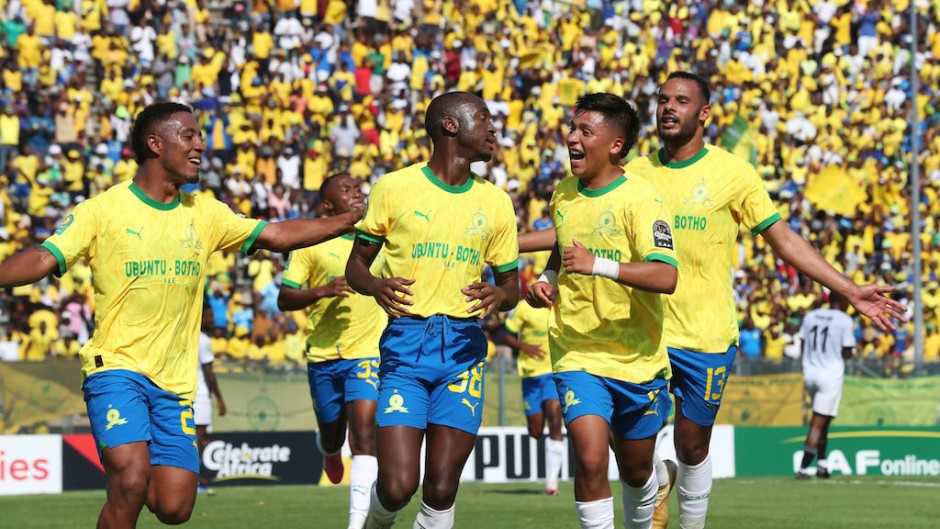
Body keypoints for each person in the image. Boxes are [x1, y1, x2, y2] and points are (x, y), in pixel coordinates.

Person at [519, 72, 907, 529]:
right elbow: (574, 227)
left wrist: (848, 289)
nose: (668, 108)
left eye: (681, 101)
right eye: (663, 99)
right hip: (641, 335)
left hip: (703, 333)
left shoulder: (733, 174)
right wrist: (508, 244)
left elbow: (783, 240)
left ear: (703, 113)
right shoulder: (633, 171)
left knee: (691, 446)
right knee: (631, 462)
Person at [0, 102, 363, 529]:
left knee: (175, 507)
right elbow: (45, 256)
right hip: (116, 367)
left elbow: (277, 235)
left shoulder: (206, 214)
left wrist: (348, 220)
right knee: (131, 481)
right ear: (155, 144)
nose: (201, 145)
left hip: (175, 384)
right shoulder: (103, 210)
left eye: (199, 136)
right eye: (188, 135)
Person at [346, 91, 519, 529]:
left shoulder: (496, 202)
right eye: (483, 117)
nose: (494, 128)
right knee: (399, 485)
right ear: (450, 126)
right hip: (406, 348)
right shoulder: (394, 188)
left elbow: (511, 286)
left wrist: (501, 296)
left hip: (463, 350)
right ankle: (376, 522)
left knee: (441, 490)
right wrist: (374, 285)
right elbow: (356, 267)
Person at [526, 93, 678, 529]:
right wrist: (549, 281)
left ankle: (654, 489)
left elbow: (665, 276)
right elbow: (562, 248)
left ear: (615, 145)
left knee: (635, 472)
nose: (572, 138)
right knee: (591, 460)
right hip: (578, 352)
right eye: (572, 129)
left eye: (584, 131)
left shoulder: (642, 200)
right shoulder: (562, 195)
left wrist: (601, 266)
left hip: (638, 358)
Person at [277, 173, 384, 529]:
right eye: (346, 190)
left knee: (364, 433)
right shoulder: (311, 244)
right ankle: (329, 450)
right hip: (323, 355)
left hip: (368, 351)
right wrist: (321, 291)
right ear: (327, 206)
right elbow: (285, 297)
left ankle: (357, 523)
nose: (357, 194)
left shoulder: (379, 238)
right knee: (333, 433)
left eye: (357, 188)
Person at [503, 301, 564, 496]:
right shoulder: (524, 307)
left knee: (555, 420)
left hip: (554, 372)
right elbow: (506, 335)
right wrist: (524, 347)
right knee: (536, 430)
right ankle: (537, 429)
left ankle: (552, 483)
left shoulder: (562, 304)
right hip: (530, 374)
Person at [795, 293, 857, 479]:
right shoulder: (844, 320)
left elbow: (803, 344)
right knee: (818, 422)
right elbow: (846, 352)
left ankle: (822, 464)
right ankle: (803, 469)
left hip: (810, 373)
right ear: (842, 301)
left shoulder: (811, 316)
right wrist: (853, 352)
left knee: (825, 419)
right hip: (829, 375)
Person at [195, 305, 226, 494]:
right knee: (197, 441)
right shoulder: (203, 340)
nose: (213, 319)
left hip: (183, 394)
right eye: (209, 315)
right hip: (199, 397)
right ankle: (194, 484)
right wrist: (220, 399)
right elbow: (209, 372)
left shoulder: (185, 337)